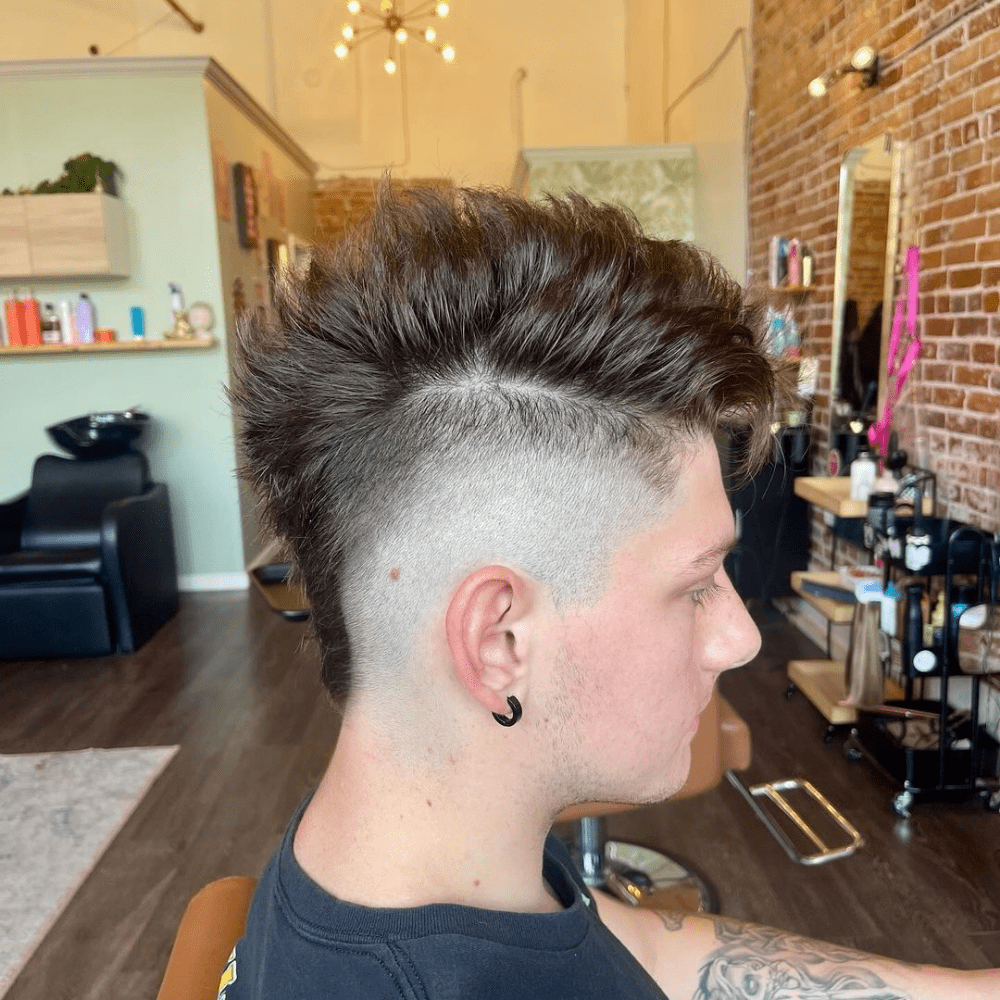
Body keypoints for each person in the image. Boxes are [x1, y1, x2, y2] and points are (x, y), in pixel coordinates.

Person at [224, 184, 997, 999]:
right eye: (698, 585)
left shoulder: (423, 835)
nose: (741, 636)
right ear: (500, 642)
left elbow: (633, 949)